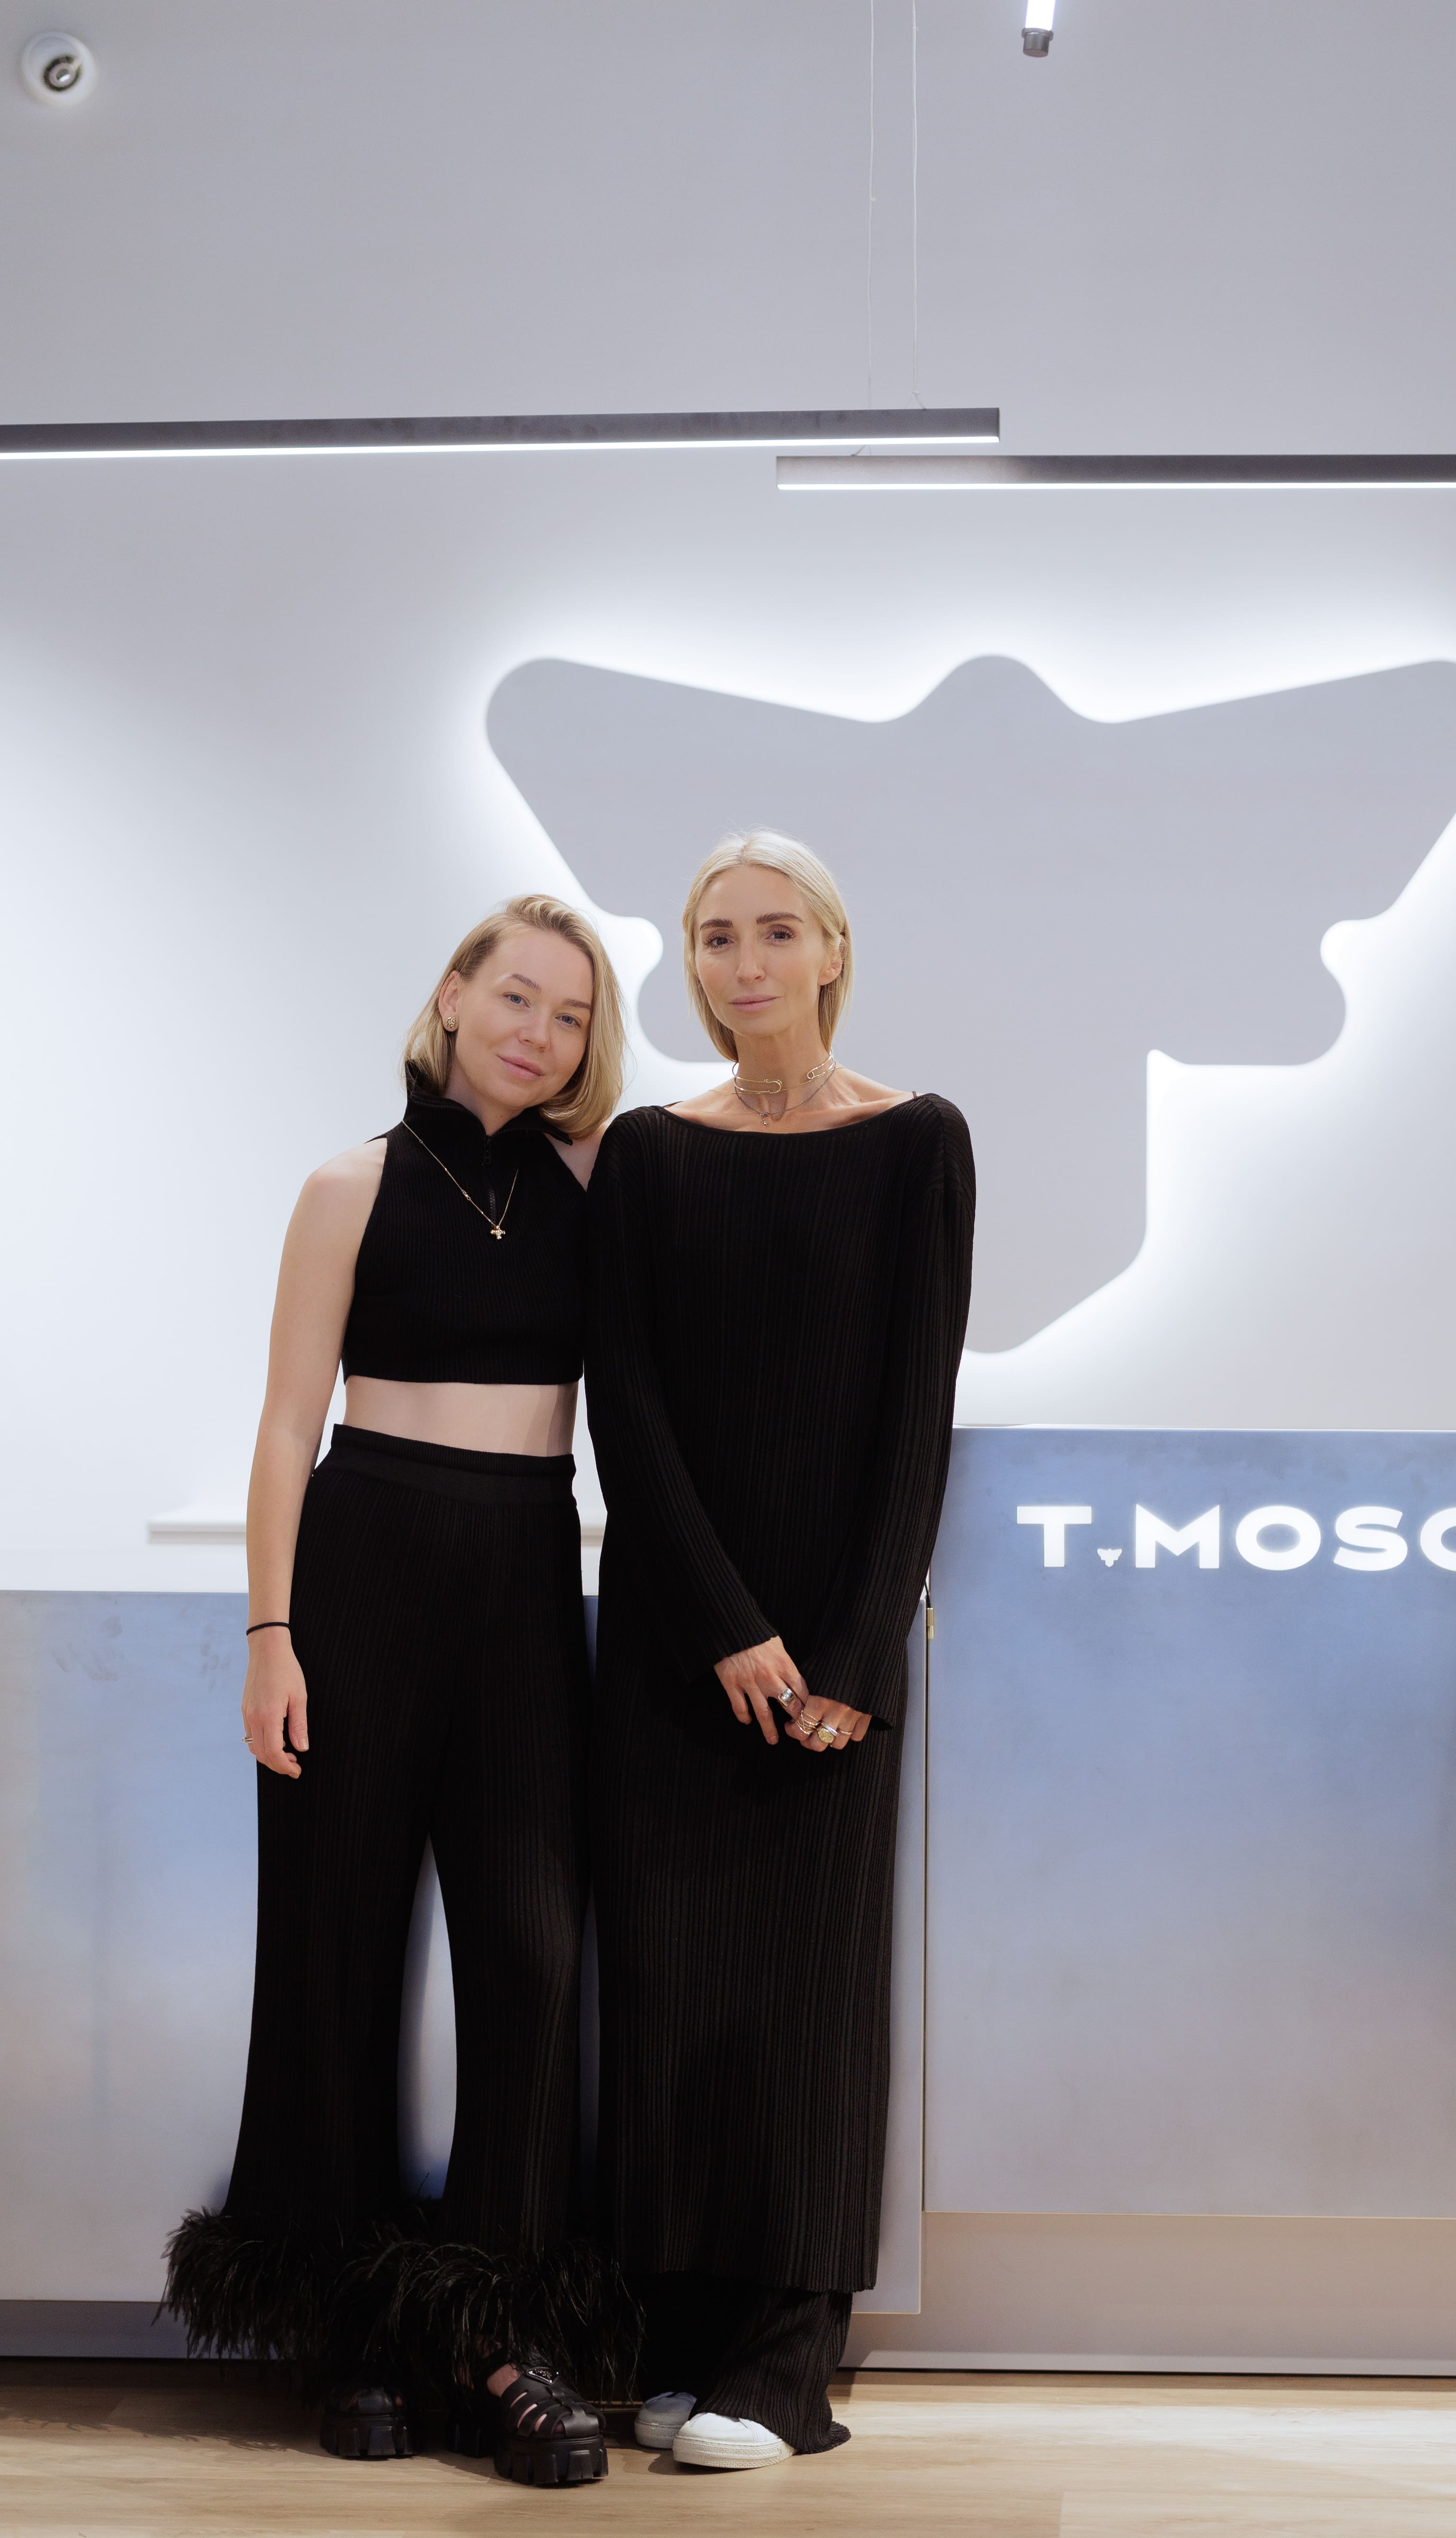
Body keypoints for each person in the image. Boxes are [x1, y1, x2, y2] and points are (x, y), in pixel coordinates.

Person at [164, 894, 631, 2487]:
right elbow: (285, 1421)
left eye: (571, 1015)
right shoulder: (348, 1184)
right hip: (362, 1566)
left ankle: (498, 2332)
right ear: (449, 996)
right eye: (516, 995)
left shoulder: (592, 1182)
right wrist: (269, 1632)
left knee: (531, 1955)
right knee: (333, 1946)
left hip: (522, 1576)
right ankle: (351, 2322)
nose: (538, 1032)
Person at [587, 829, 974, 2470]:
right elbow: (627, 1409)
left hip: (833, 1666)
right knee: (668, 2001)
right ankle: (672, 2344)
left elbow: (914, 1412)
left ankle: (784, 2369)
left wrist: (852, 1654)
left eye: (771, 930)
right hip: (674, 1649)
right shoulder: (645, 1153)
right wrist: (724, 1626)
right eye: (712, 935)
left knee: (807, 2014)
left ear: (829, 948)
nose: (742, 962)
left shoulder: (917, 1140)